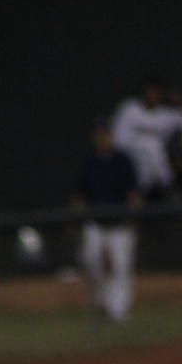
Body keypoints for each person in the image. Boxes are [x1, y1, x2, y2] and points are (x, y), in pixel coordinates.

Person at [72, 118, 142, 322]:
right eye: (100, 134)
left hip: (120, 223)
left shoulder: (123, 160)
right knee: (92, 261)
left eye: (107, 133)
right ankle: (104, 300)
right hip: (95, 223)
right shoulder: (89, 162)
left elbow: (133, 193)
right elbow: (79, 195)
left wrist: (134, 217)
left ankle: (119, 310)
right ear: (94, 137)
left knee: (121, 266)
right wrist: (77, 219)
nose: (104, 137)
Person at [110, 77, 182, 199]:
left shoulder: (165, 114)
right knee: (150, 144)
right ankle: (168, 184)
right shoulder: (129, 108)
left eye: (157, 92)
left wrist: (178, 100)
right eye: (151, 91)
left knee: (152, 147)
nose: (154, 95)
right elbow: (115, 138)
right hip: (128, 155)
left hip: (151, 165)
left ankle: (144, 192)